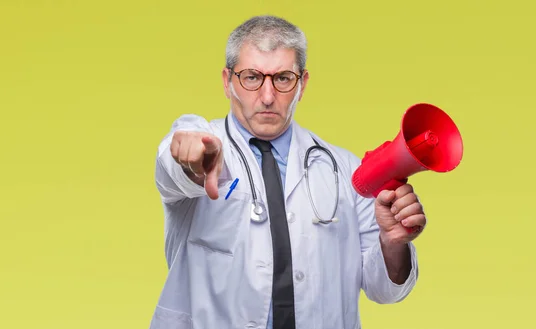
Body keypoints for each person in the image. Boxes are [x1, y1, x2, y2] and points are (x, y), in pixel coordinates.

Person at [150, 15, 425, 329]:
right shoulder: (203, 142)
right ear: (227, 82)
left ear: (302, 84)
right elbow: (171, 170)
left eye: (282, 78)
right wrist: (190, 159)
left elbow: (383, 290)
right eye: (252, 77)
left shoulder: (345, 171)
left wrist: (392, 242)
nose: (267, 97)